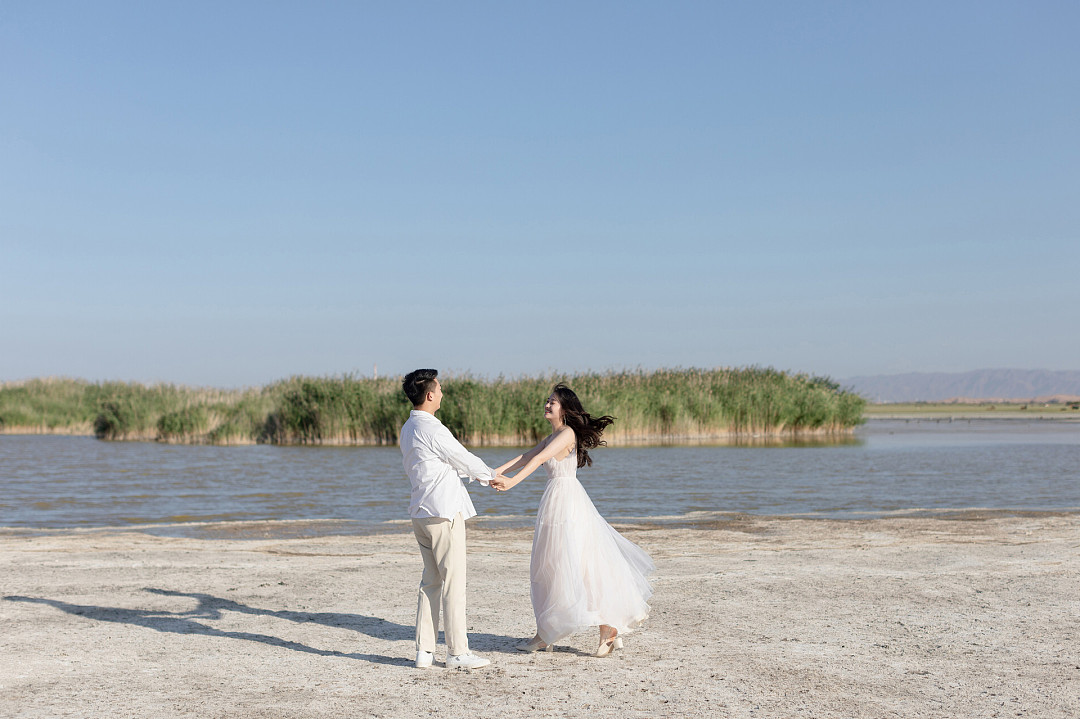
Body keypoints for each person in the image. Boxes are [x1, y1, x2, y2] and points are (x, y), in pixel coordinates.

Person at [490, 383, 654, 656]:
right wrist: (494, 471)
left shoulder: (566, 434)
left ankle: (605, 627)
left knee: (577, 566)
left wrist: (511, 483)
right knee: (552, 565)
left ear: (564, 409)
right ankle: (546, 632)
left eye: (552, 402)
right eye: (547, 400)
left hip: (568, 504)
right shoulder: (554, 434)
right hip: (555, 501)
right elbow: (528, 456)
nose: (547, 404)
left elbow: (539, 459)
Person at [399, 368, 503, 670]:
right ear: (430, 395)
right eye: (440, 388)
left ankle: (424, 652)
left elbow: (440, 465)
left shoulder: (408, 428)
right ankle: (457, 652)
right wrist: (492, 476)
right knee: (453, 583)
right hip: (443, 514)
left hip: (421, 514)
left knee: (430, 581)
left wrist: (481, 475)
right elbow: (463, 457)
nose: (442, 392)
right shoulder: (433, 428)